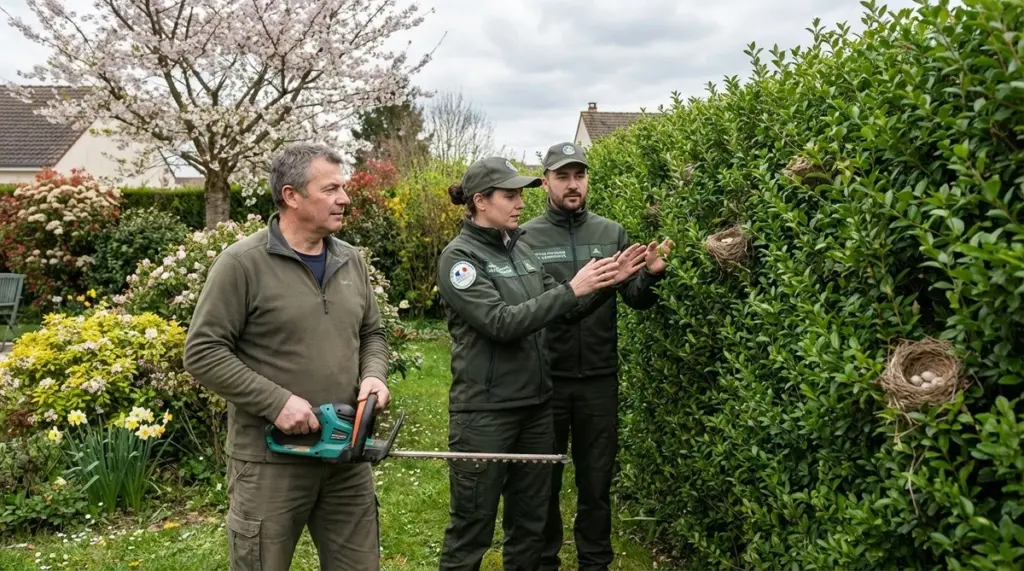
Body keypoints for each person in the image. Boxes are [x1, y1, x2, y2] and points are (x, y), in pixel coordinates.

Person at [183, 142, 392, 571]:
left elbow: (373, 331)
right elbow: (202, 351)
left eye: (344, 187)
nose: (344, 199)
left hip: (345, 453)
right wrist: (276, 402)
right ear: (291, 196)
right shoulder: (242, 264)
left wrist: (374, 375)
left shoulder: (350, 260)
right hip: (270, 461)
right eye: (331, 188)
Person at [435, 156, 647, 571]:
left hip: (535, 410)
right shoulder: (460, 260)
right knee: (472, 529)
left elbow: (564, 312)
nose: (519, 203)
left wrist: (609, 282)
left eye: (521, 194)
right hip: (486, 413)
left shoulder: (522, 248)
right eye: (510, 195)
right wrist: (572, 288)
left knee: (530, 525)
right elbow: (500, 323)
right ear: (480, 201)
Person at [520, 142, 673, 571]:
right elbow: (543, 306)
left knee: (596, 481)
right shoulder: (526, 237)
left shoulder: (611, 233)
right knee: (543, 481)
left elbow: (635, 298)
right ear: (545, 180)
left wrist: (653, 277)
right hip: (547, 379)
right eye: (563, 176)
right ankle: (545, 560)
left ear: (587, 181)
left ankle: (595, 562)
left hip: (600, 380)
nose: (573, 185)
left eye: (580, 176)